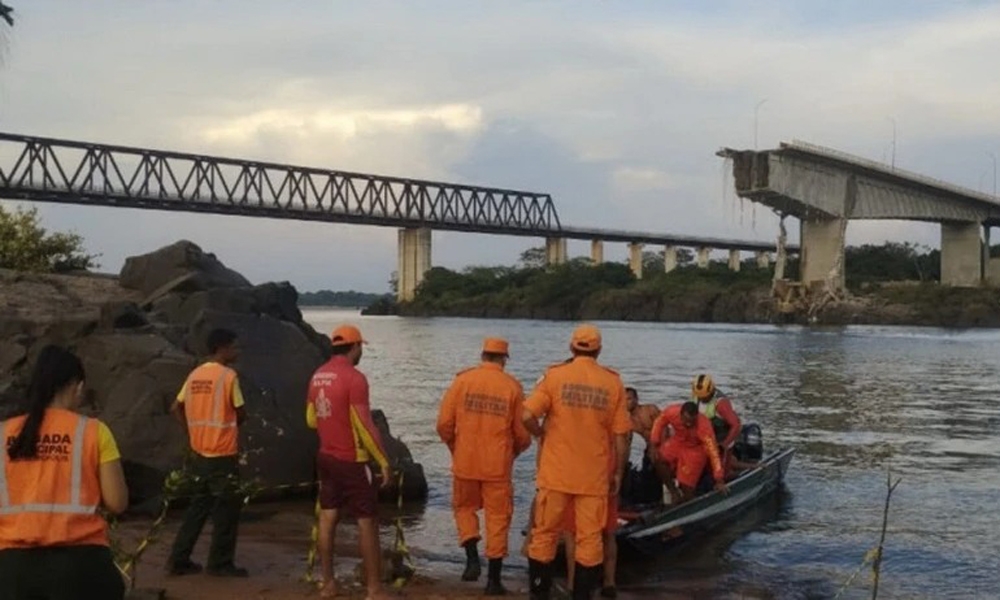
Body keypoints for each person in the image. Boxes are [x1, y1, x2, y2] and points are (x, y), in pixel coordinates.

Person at [0, 345, 129, 599]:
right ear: (76, 386)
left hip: (13, 569)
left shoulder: (4, 432)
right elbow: (117, 503)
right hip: (81, 567)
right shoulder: (94, 431)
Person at [522, 324, 631, 600]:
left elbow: (526, 416)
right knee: (590, 539)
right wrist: (617, 472)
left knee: (544, 534)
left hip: (555, 474)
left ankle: (539, 593)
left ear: (572, 348)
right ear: (599, 350)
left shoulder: (555, 376)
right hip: (593, 478)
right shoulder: (612, 382)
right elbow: (621, 435)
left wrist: (541, 434)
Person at [436, 337, 531, 595]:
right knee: (498, 519)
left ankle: (471, 558)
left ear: (483, 355)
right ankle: (493, 581)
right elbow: (523, 434)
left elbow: (444, 424)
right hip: (497, 466)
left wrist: (456, 447)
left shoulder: (462, 381)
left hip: (465, 462)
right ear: (504, 359)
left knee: (464, 508)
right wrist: (513, 452)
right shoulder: (512, 387)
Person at [306, 324, 392, 600]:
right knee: (367, 521)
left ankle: (328, 584)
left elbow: (310, 418)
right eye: (360, 347)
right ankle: (374, 589)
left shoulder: (318, 375)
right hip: (352, 460)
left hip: (326, 456)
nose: (360, 352)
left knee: (328, 517)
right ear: (355, 347)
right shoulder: (355, 378)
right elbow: (365, 425)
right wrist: (384, 461)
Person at [166, 328, 249, 578]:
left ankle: (179, 558)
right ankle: (220, 563)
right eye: (234, 346)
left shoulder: (195, 375)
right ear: (221, 348)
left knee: (198, 507)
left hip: (200, 452)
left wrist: (191, 433)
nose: (237, 351)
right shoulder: (228, 376)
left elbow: (175, 408)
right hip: (222, 453)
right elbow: (241, 412)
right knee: (226, 509)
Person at [648, 401, 729, 505]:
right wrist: (654, 443)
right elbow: (659, 422)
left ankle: (688, 502)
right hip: (678, 441)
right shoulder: (672, 411)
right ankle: (673, 492)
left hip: (695, 448)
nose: (688, 424)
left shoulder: (704, 426)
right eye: (685, 420)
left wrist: (719, 479)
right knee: (657, 457)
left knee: (686, 485)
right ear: (680, 414)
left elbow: (713, 452)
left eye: (691, 422)